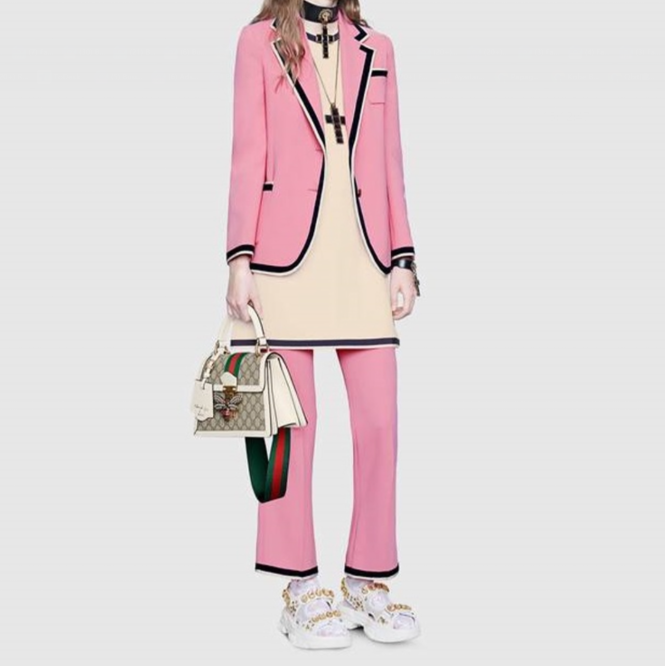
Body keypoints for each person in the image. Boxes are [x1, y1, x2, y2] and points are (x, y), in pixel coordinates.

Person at [224, 0, 421, 649]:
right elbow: (247, 153)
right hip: (283, 260)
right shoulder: (257, 43)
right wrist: (239, 258)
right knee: (291, 431)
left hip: (363, 260)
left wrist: (402, 258)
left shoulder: (377, 47)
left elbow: (389, 159)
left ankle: (366, 580)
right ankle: (300, 587)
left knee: (379, 424)